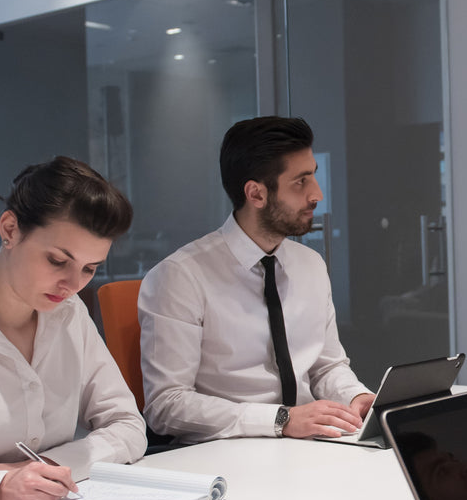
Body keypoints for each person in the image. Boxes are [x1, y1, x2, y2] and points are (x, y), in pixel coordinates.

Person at [139, 116, 375, 444]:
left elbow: (325, 366)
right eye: (301, 181)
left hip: (309, 445)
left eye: (314, 177)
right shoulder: (180, 277)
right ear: (256, 194)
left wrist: (356, 398)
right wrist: (280, 420)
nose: (317, 194)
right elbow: (166, 405)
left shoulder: (311, 265)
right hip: (228, 453)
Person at [0, 157, 147, 500]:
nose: (72, 285)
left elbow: (127, 425)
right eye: (58, 261)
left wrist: (47, 467)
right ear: (10, 229)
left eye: (89, 268)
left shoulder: (69, 315)